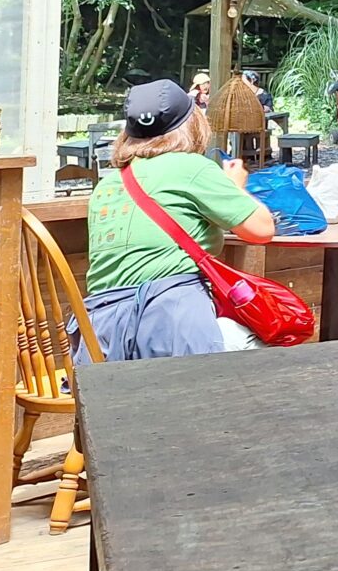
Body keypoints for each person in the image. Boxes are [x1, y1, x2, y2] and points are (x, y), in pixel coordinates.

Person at [80, 79, 277, 360]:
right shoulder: (192, 167)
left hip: (104, 339)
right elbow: (262, 229)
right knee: (273, 342)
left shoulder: (107, 186)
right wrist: (235, 187)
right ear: (192, 124)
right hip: (171, 331)